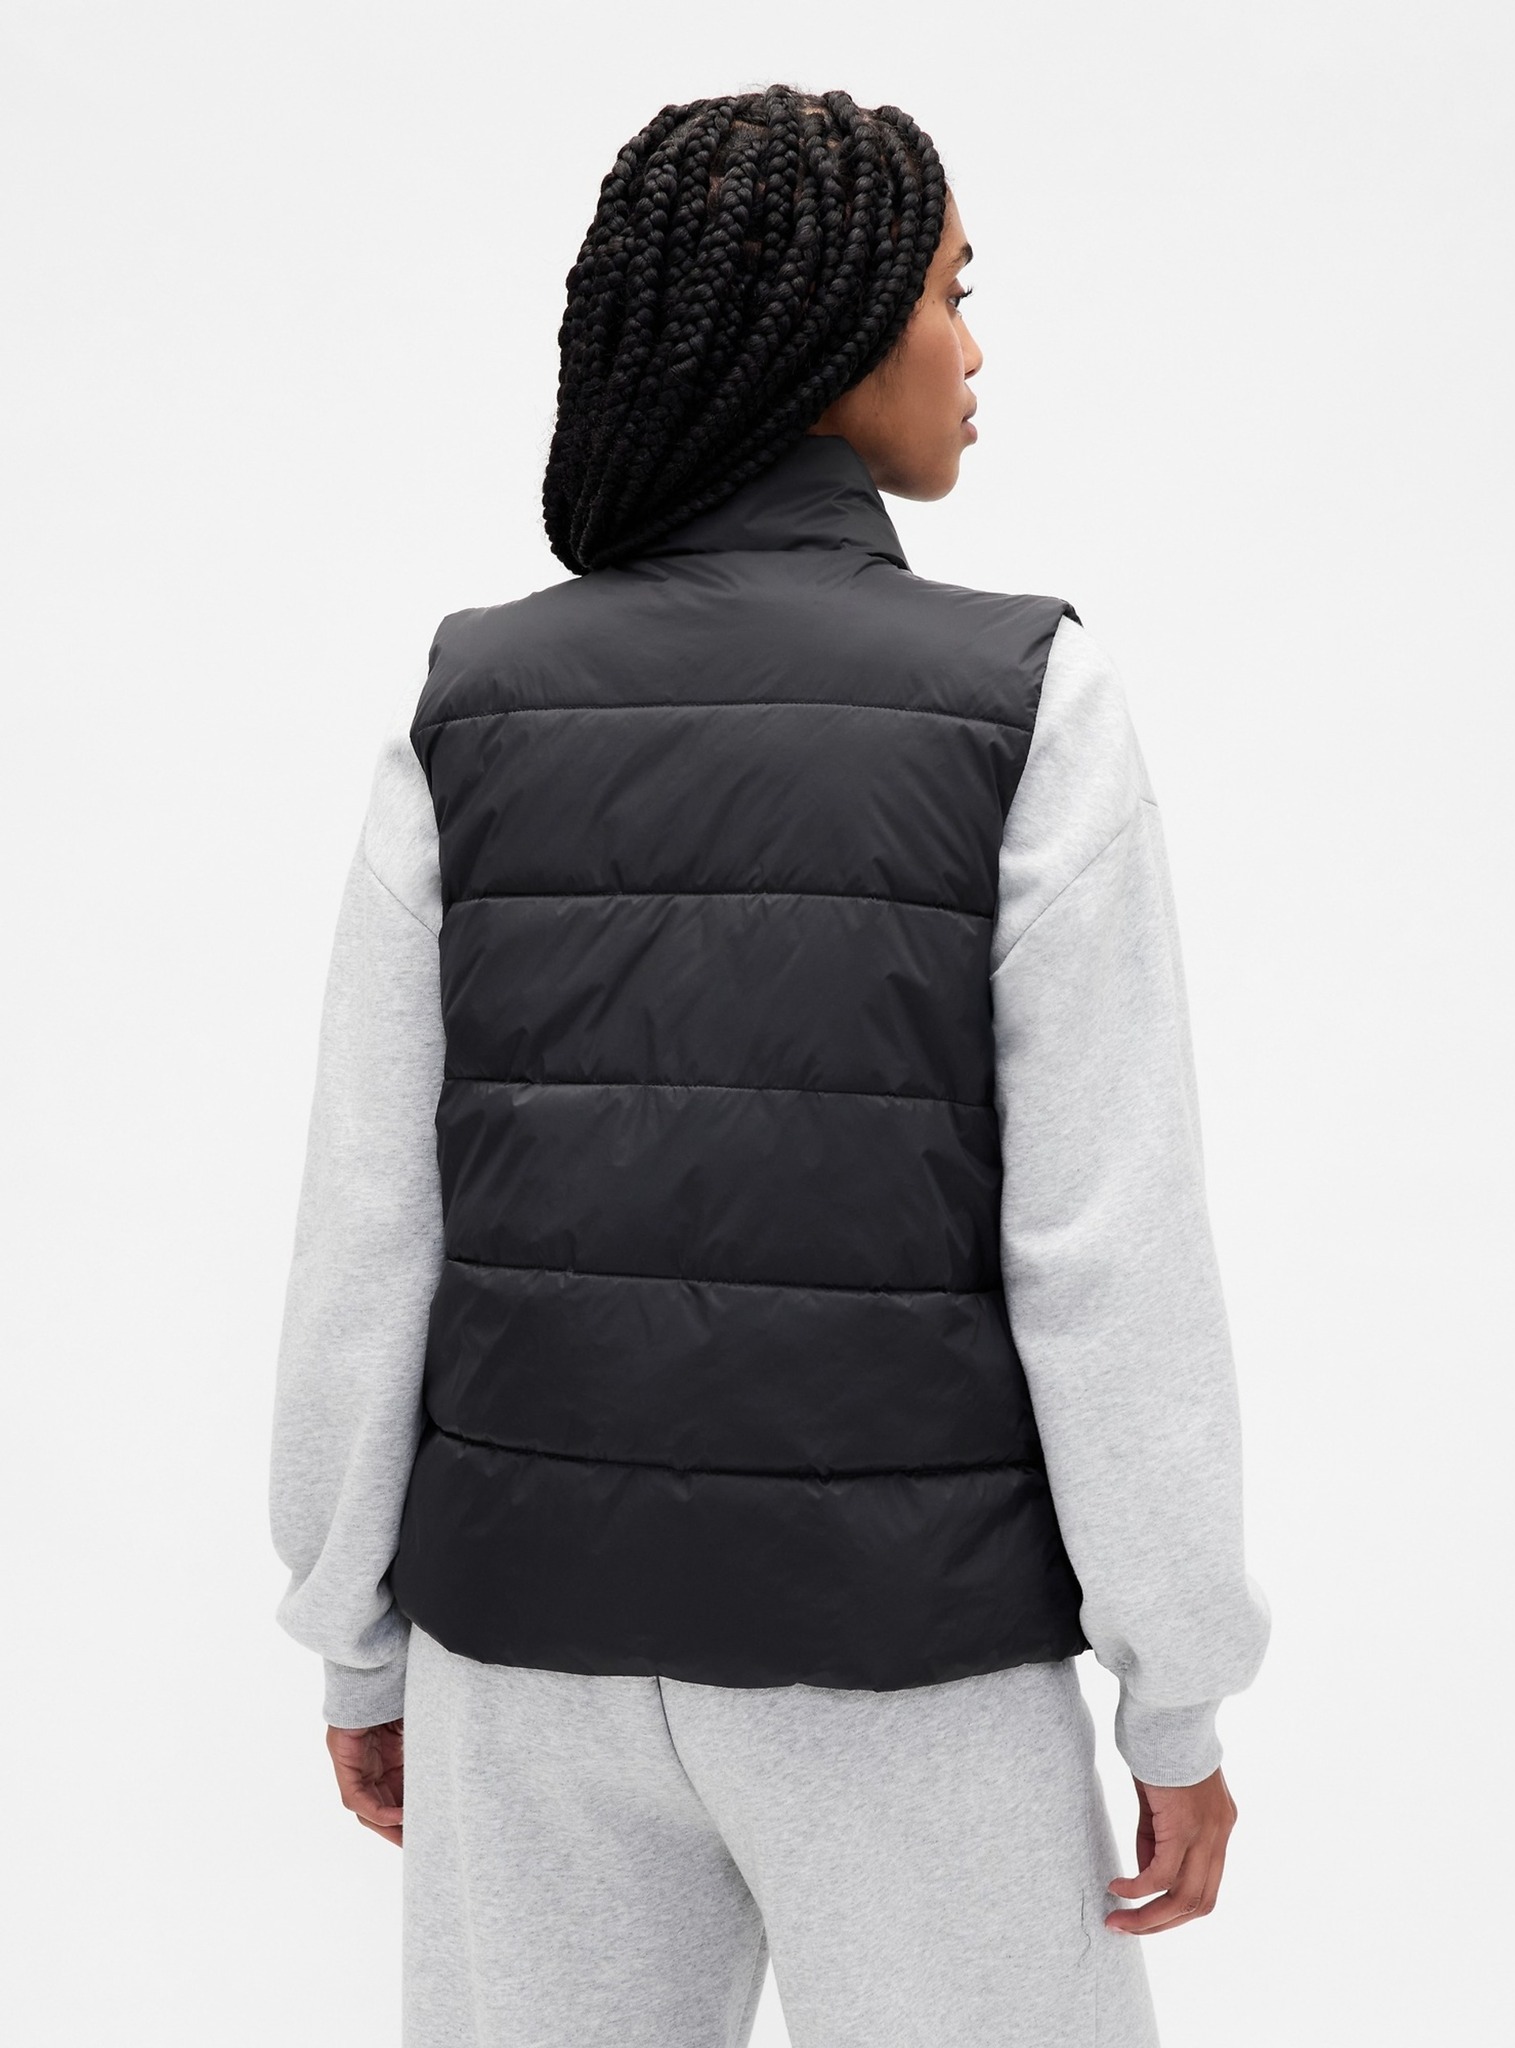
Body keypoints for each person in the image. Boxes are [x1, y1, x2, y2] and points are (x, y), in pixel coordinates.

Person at [269, 84, 1271, 2047]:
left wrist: (356, 1634)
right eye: (951, 295)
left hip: (523, 1663)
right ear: (833, 328)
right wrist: (1179, 1694)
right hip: (909, 1667)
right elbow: (1107, 1253)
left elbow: (370, 1227)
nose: (972, 350)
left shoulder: (471, 702)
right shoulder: (1026, 697)